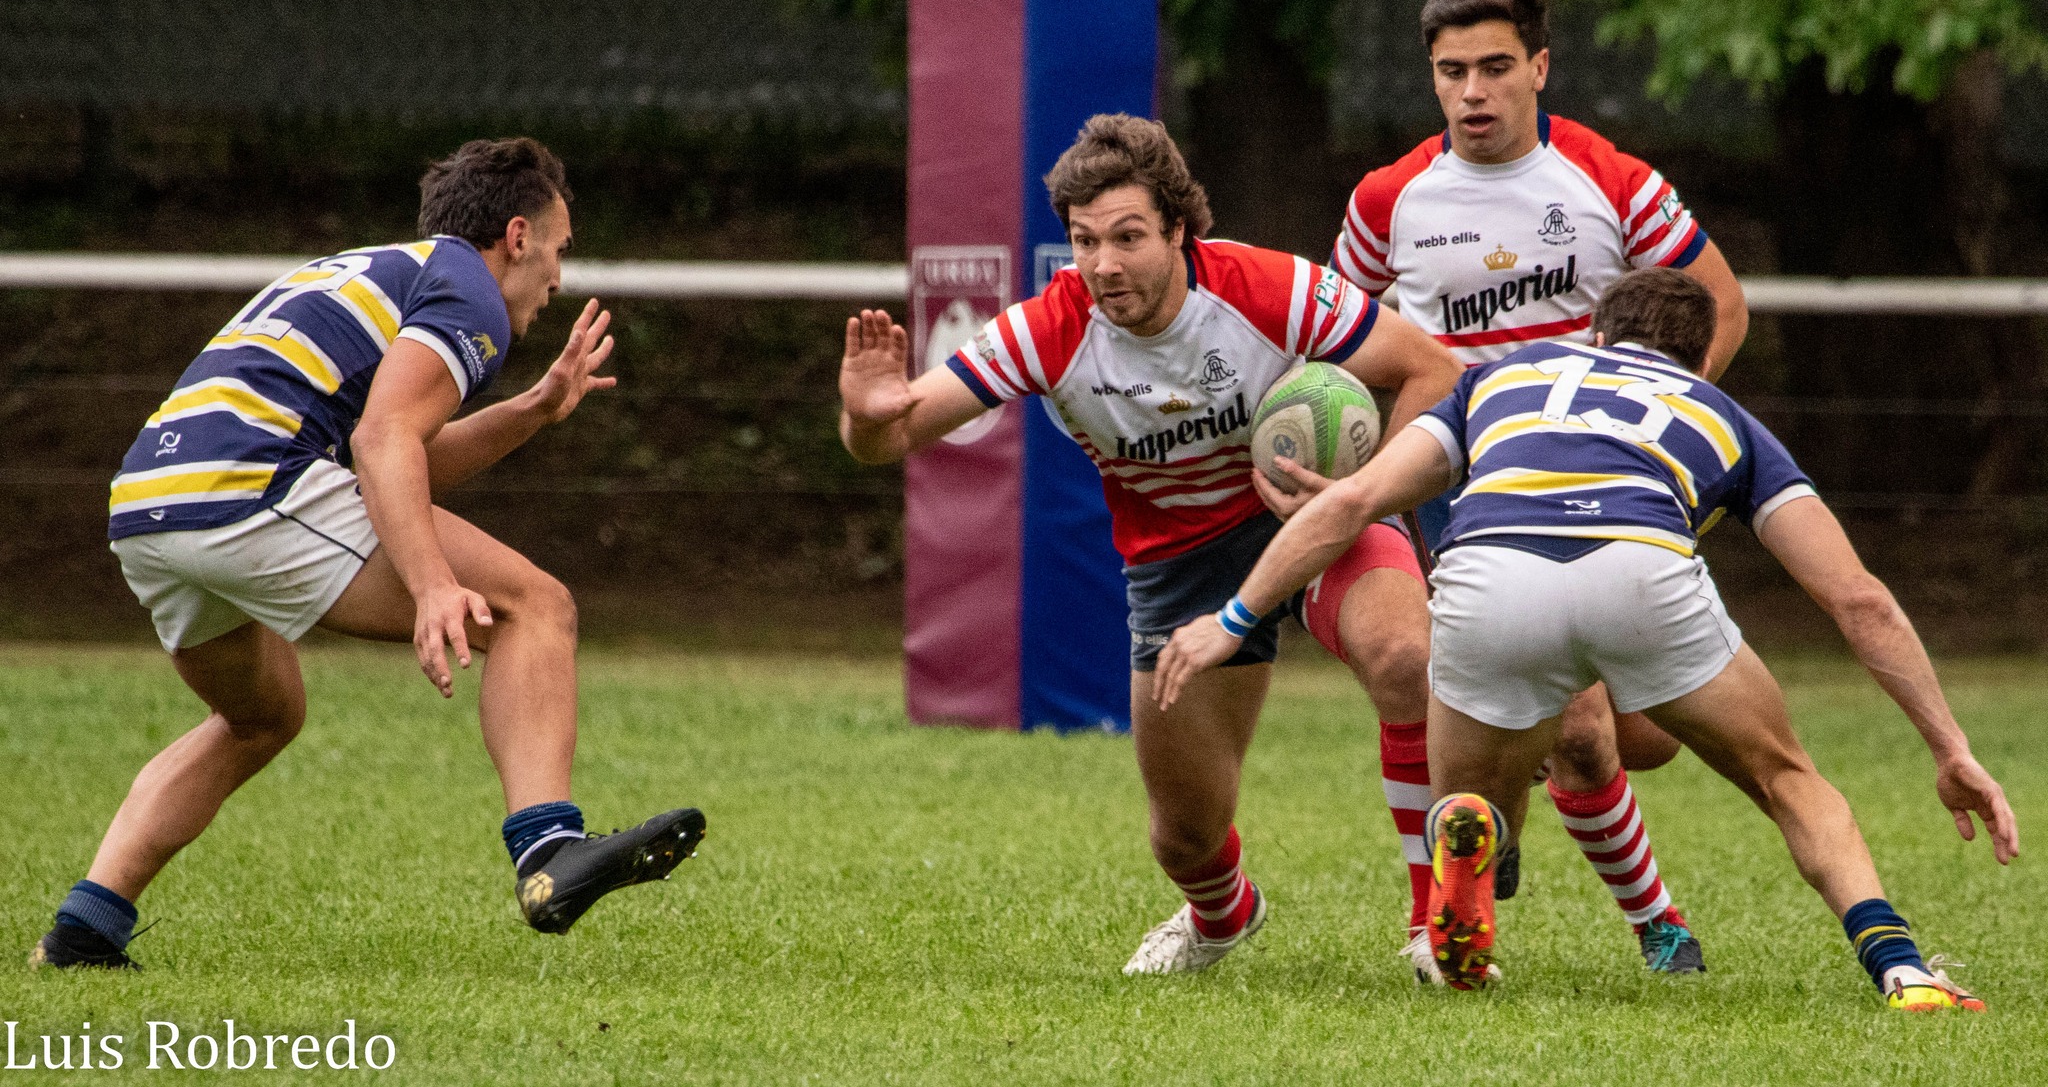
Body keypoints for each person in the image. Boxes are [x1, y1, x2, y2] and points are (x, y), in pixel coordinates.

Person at [1157, 267, 2017, 1008]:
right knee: (1787, 778)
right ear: (1698, 358)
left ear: (1597, 332)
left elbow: (1349, 503)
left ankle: (1475, 849)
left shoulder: (1499, 379)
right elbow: (1858, 600)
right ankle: (1903, 968)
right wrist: (1950, 747)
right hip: (1639, 572)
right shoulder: (1718, 410)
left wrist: (1231, 619)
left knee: (1473, 793)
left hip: (1490, 572)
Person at [33, 138, 704, 970]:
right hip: (251, 485)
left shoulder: (374, 267)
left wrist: (533, 409)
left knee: (260, 713)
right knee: (536, 606)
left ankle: (84, 930)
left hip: (146, 501)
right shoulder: (468, 285)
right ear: (519, 235)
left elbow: (395, 456)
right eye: (561, 251)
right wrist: (430, 585)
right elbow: (383, 439)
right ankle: (549, 849)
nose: (559, 280)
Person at [840, 114, 1464, 976]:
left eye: (1128, 236)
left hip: (1311, 517)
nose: (1103, 263)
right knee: (1183, 834)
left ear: (1179, 228)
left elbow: (1432, 366)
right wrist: (865, 416)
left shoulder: (1266, 287)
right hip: (1178, 566)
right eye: (1084, 240)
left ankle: (1437, 919)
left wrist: (1363, 495)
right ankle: (1222, 912)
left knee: (1404, 655)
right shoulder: (1047, 330)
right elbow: (892, 435)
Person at [1327, 0, 1754, 971]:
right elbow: (1337, 342)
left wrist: (1665, 429)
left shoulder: (1608, 180)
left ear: (1539, 67)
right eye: (1449, 73)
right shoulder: (1386, 199)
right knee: (1567, 714)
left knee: (1635, 736)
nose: (1472, 92)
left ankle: (1490, 820)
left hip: (1603, 471)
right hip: (1463, 484)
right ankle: (1645, 922)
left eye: (1493, 68)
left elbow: (1720, 305)